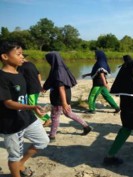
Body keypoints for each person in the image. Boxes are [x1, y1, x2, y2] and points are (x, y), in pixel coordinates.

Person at [0, 42, 49, 177]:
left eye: (22, 54)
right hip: (12, 123)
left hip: (27, 118)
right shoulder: (2, 77)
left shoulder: (20, 72)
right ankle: (16, 171)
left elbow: (23, 98)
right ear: (4, 56)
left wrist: (33, 110)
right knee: (14, 156)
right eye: (18, 54)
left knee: (43, 141)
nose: (22, 57)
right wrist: (33, 106)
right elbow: (8, 103)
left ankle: (21, 163)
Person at [42, 52, 92, 142]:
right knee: (68, 113)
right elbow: (51, 80)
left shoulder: (58, 70)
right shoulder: (61, 68)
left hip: (60, 97)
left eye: (48, 60)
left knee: (55, 116)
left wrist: (64, 103)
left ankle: (52, 136)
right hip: (65, 94)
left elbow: (61, 87)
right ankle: (86, 126)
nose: (48, 61)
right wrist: (45, 87)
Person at [82, 50, 120, 114]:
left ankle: (92, 109)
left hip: (98, 84)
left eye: (96, 55)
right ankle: (117, 107)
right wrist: (86, 75)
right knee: (107, 96)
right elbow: (96, 72)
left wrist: (105, 83)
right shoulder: (101, 62)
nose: (95, 56)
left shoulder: (100, 63)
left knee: (92, 96)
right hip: (101, 83)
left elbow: (101, 73)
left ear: (99, 55)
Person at [17, 56, 52, 127]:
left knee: (32, 107)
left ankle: (47, 119)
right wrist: (40, 85)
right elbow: (38, 74)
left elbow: (18, 78)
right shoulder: (31, 64)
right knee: (30, 105)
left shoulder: (21, 67)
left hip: (31, 90)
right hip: (36, 88)